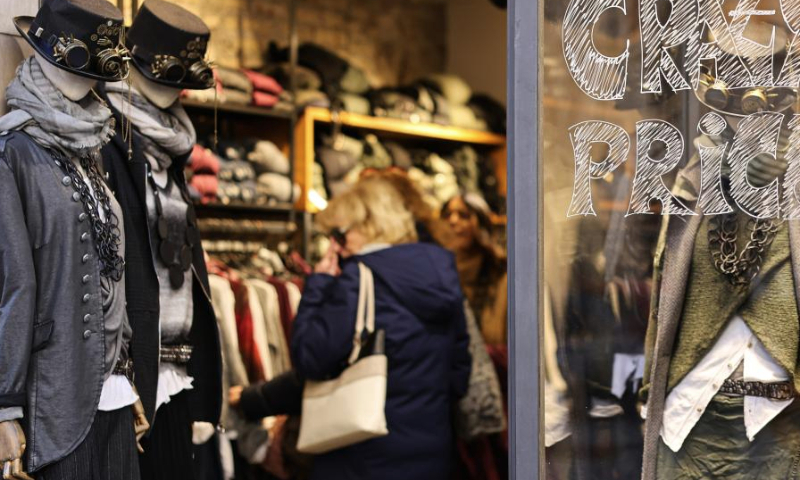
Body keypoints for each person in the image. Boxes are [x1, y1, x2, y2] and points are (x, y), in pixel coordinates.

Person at [234, 177, 471, 480]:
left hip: (361, 453)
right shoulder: (442, 275)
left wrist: (318, 284)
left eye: (340, 234)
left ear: (369, 225)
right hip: (431, 451)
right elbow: (459, 371)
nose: (336, 245)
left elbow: (311, 359)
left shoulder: (359, 279)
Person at [0, 1, 144, 479]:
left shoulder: (92, 149)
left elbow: (112, 274)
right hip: (53, 404)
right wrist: (6, 405)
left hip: (115, 396)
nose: (85, 83)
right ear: (41, 53)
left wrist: (127, 376)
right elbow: (12, 288)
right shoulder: (15, 152)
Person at [98, 2, 222, 479]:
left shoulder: (173, 149)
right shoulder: (106, 136)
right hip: (128, 372)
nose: (173, 91)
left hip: (177, 367)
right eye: (167, 75)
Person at [442, 194, 507, 347]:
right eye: (447, 215)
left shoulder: (501, 274)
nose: (453, 221)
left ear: (481, 223)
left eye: (463, 215)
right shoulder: (434, 272)